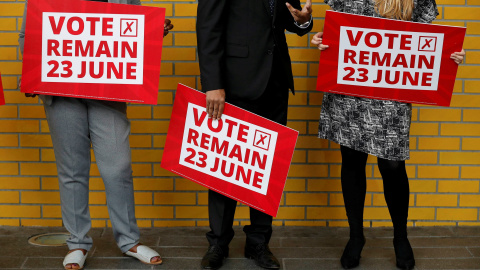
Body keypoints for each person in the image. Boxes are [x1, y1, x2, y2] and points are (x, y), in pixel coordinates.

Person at [18, 0, 173, 269]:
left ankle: (129, 241)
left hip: (109, 91)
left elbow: (132, 28)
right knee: (72, 169)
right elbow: (28, 34)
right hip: (61, 89)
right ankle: (77, 242)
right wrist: (32, 74)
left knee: (118, 167)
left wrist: (150, 32)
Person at [311, 0, 465, 269]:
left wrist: (449, 55)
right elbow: (337, 26)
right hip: (350, 83)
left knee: (392, 164)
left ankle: (400, 237)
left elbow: (424, 40)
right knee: (352, 160)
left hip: (391, 88)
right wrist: (323, 40)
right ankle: (356, 237)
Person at [196, 0, 313, 269]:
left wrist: (303, 20)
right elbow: (208, 29)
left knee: (267, 167)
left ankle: (258, 241)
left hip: (275, 82)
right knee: (226, 163)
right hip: (234, 82)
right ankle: (218, 242)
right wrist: (212, 85)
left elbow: (291, 19)